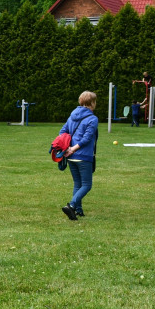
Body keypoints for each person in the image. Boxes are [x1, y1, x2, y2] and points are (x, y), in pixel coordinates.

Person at [59, 91, 99, 221]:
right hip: (83, 156)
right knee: (87, 185)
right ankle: (71, 205)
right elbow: (86, 138)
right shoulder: (92, 118)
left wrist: (68, 149)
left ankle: (78, 210)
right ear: (92, 103)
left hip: (70, 156)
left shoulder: (72, 116)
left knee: (78, 183)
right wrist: (74, 148)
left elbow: (62, 132)